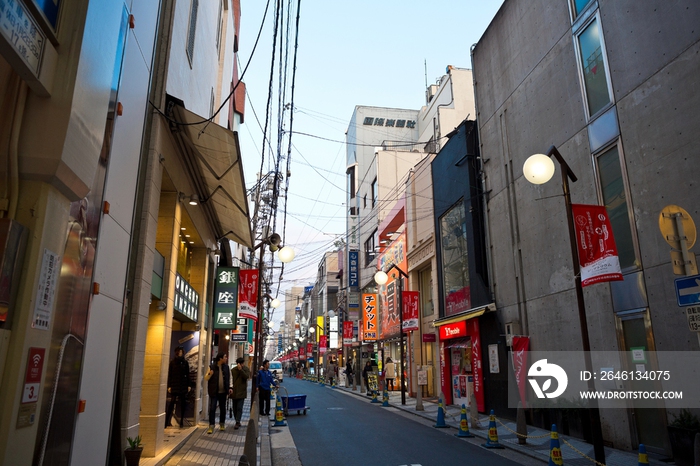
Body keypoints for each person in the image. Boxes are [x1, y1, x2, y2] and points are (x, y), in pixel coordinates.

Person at [205, 352, 232, 434]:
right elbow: (206, 378)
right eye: (225, 357)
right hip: (214, 392)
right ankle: (211, 426)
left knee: (222, 409)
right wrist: (210, 374)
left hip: (223, 392)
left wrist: (230, 388)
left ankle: (222, 424)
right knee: (212, 408)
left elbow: (230, 378)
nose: (226, 358)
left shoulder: (227, 367)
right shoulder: (211, 367)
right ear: (220, 358)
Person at [165, 346, 191, 428]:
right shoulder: (172, 362)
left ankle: (181, 421)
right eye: (179, 351)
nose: (180, 353)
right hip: (175, 385)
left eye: (181, 351)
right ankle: (166, 421)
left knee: (183, 403)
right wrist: (169, 385)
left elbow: (188, 374)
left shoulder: (185, 363)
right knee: (172, 403)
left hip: (183, 385)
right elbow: (170, 375)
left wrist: (188, 385)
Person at [230, 357, 250, 430]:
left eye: (242, 363)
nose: (242, 365)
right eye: (240, 363)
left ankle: (238, 421)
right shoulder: (233, 370)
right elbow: (230, 380)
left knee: (239, 407)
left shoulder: (246, 369)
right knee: (234, 408)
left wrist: (241, 370)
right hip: (234, 392)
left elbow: (246, 377)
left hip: (241, 392)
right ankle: (236, 420)